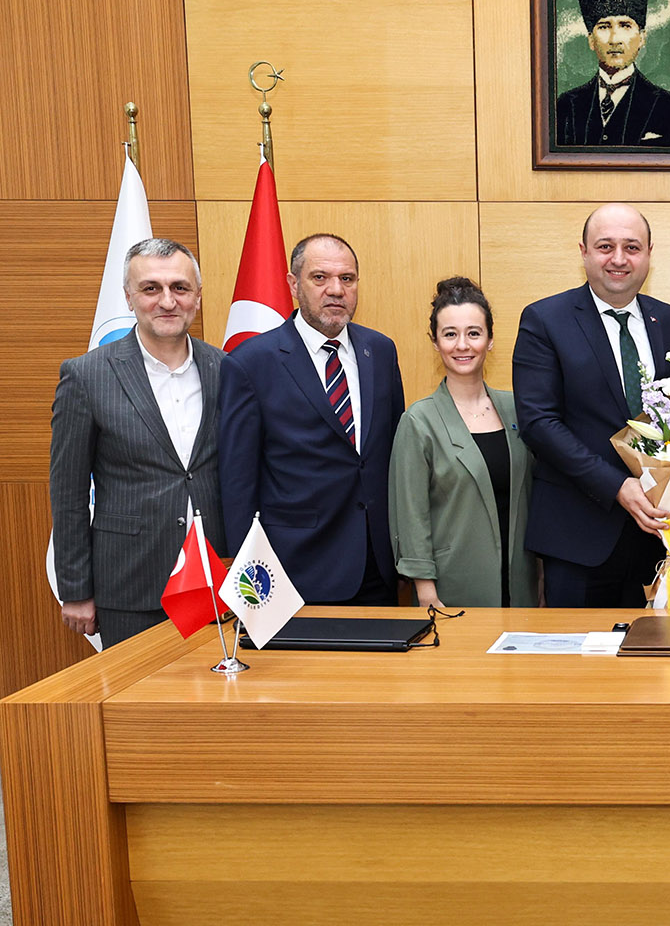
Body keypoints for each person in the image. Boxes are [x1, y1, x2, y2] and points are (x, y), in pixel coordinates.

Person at [513, 203, 670, 607]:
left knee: (655, 659)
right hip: (578, 534)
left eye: (632, 247)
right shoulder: (545, 319)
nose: (618, 259)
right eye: (605, 246)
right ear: (584, 252)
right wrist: (617, 487)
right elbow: (539, 424)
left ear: (649, 253)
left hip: (657, 536)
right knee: (576, 666)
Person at [49, 238, 225, 648]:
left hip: (217, 578)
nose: (167, 301)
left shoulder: (226, 368)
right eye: (151, 288)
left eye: (180, 288)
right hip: (129, 584)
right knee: (140, 710)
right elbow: (69, 491)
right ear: (129, 297)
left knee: (217, 706)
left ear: (197, 298)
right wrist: (76, 589)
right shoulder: (87, 376)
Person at [219, 233, 405, 605]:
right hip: (292, 570)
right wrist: (248, 576)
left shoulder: (380, 351)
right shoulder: (251, 362)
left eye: (347, 279)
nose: (336, 290)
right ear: (293, 284)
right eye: (320, 278)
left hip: (376, 565)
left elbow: (393, 454)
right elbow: (237, 481)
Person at [389, 278, 538, 608]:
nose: (462, 345)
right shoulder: (419, 421)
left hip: (521, 588)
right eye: (450, 334)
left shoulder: (519, 409)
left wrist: (541, 578)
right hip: (452, 590)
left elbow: (536, 496)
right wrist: (425, 590)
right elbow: (411, 517)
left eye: (473, 333)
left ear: (490, 340)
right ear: (435, 342)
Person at [555, 0, 670, 148]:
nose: (615, 39)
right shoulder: (566, 106)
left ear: (642, 38)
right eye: (604, 27)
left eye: (625, 25)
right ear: (591, 40)